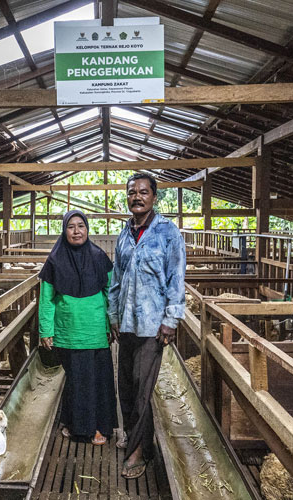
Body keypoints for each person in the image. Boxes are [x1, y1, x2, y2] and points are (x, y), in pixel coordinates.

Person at [108, 173, 186, 479]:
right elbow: (116, 280)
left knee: (142, 388)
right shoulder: (124, 235)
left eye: (143, 192)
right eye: (131, 193)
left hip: (153, 326)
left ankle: (138, 451)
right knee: (125, 385)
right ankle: (136, 436)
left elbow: (176, 279)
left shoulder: (168, 232)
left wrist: (171, 320)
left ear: (154, 197)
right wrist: (113, 317)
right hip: (126, 324)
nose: (136, 197)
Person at [38, 210, 117, 446]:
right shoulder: (54, 260)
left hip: (95, 331)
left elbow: (110, 292)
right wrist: (45, 329)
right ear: (64, 230)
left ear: (87, 229)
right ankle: (78, 426)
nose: (76, 231)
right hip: (68, 331)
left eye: (80, 226)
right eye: (70, 227)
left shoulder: (99, 257)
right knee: (76, 380)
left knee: (99, 379)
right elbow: (47, 298)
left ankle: (100, 427)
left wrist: (112, 322)